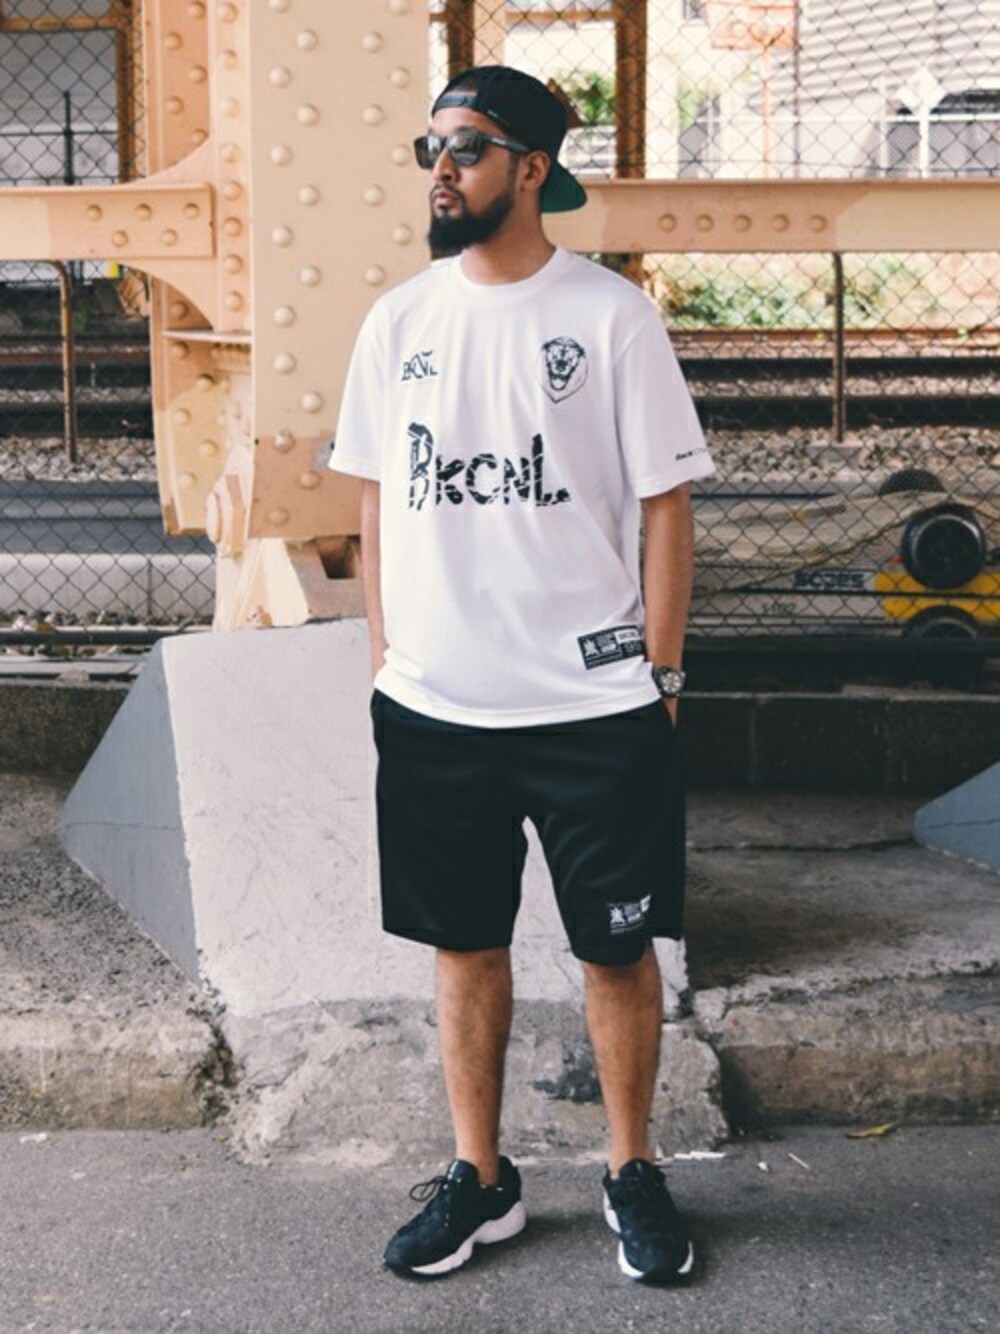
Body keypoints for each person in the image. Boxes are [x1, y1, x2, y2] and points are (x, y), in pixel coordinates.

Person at [328, 65, 715, 1285]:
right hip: (437, 708)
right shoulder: (398, 320)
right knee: (463, 943)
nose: (439, 170)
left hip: (595, 707)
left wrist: (660, 674)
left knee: (616, 949)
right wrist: (386, 659)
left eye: (467, 147)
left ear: (532, 168)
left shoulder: (609, 316)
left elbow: (665, 505)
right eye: (430, 149)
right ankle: (480, 1176)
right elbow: (376, 504)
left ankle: (630, 1167)